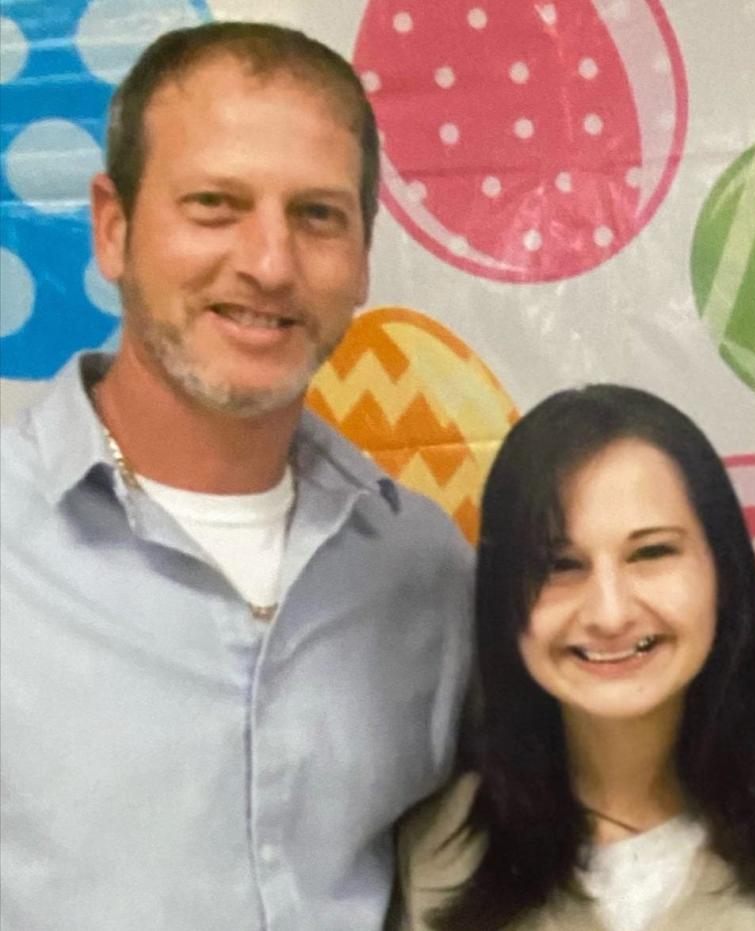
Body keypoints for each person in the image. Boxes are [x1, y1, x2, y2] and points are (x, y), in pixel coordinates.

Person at [0, 22, 473, 931]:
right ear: (113, 225)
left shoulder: (427, 572)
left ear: (364, 255)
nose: (268, 262)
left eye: (317, 215)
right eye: (215, 203)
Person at [391, 385, 755, 931]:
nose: (610, 614)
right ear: (501, 598)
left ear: (722, 572)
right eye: (560, 564)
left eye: (652, 552)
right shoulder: (436, 852)